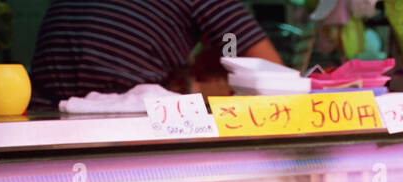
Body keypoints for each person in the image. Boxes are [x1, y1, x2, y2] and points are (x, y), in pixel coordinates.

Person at [30, 0, 283, 105]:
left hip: (39, 117)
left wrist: (224, 49)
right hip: (117, 121)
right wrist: (228, 54)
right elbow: (273, 76)